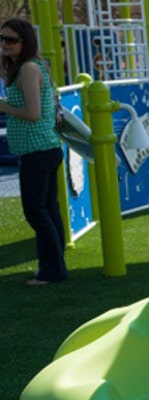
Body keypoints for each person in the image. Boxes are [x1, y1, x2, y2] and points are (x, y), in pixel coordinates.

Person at [0, 19, 67, 286]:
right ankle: (55, 266)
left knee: (36, 212)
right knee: (48, 210)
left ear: (24, 43)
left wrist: (3, 107)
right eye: (1, 38)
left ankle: (52, 270)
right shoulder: (28, 66)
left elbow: (33, 113)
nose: (4, 43)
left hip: (37, 152)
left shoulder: (29, 69)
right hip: (44, 149)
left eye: (10, 40)